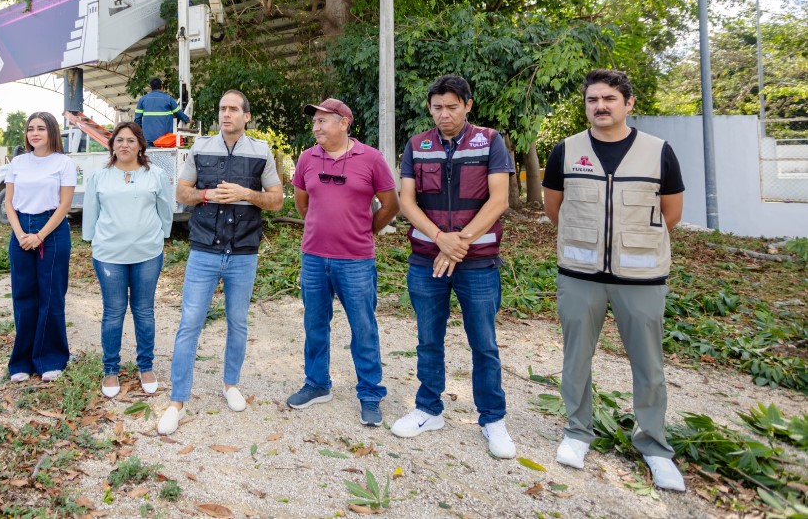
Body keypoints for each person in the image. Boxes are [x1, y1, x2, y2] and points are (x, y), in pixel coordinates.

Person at [542, 69, 685, 491]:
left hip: (641, 278)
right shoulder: (566, 151)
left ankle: (654, 446)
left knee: (649, 364)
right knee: (576, 359)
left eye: (609, 98)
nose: (600, 106)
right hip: (579, 275)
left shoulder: (658, 152)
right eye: (593, 100)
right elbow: (555, 209)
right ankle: (577, 432)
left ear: (628, 103)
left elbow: (671, 214)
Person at [390, 75, 518, 458]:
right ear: (429, 108)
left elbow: (499, 200)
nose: (444, 114)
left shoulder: (490, 141)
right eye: (437, 107)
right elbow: (407, 202)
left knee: (484, 343)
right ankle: (428, 409)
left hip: (477, 263)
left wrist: (458, 242)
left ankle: (493, 418)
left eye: (452, 106)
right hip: (426, 260)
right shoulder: (417, 145)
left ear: (468, 105)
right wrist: (439, 238)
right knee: (428, 339)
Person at [157, 90, 284, 435]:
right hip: (204, 251)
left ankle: (231, 385)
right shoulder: (200, 148)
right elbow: (181, 192)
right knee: (189, 323)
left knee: (237, 322)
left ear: (246, 116)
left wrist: (246, 194)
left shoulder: (261, 152)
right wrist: (206, 194)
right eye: (222, 109)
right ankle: (177, 402)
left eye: (233, 109)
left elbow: (276, 200)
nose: (226, 114)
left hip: (243, 252)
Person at [287, 98, 399, 426]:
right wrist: (321, 228)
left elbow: (391, 204)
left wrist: (366, 230)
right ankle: (317, 384)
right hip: (313, 257)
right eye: (315, 121)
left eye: (323, 120)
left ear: (344, 123)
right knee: (314, 324)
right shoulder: (307, 158)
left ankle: (370, 393)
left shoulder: (371, 158)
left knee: (363, 328)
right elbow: (302, 204)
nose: (316, 127)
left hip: (356, 261)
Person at [83, 122, 174, 398]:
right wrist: (92, 241)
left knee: (144, 311)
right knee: (113, 311)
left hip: (147, 253)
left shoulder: (155, 175)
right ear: (112, 145)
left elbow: (165, 209)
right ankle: (110, 369)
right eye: (119, 140)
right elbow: (91, 212)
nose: (125, 145)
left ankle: (146, 366)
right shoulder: (100, 177)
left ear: (140, 145)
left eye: (131, 140)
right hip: (109, 255)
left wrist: (161, 236)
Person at [3, 112, 77, 384]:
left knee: (51, 296)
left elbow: (65, 204)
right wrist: (21, 233)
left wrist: (40, 236)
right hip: (21, 229)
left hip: (52, 230)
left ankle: (51, 359)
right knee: (23, 296)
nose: (34, 133)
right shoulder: (18, 162)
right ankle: (21, 361)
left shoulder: (64, 163)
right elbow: (9, 202)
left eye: (41, 128)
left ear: (52, 132)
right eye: (30, 128)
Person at [134, 77, 191, 144]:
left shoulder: (142, 100)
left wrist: (141, 134)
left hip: (148, 139)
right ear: (161, 87)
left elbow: (137, 119)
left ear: (151, 87)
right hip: (165, 140)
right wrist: (188, 120)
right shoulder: (168, 99)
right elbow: (179, 113)